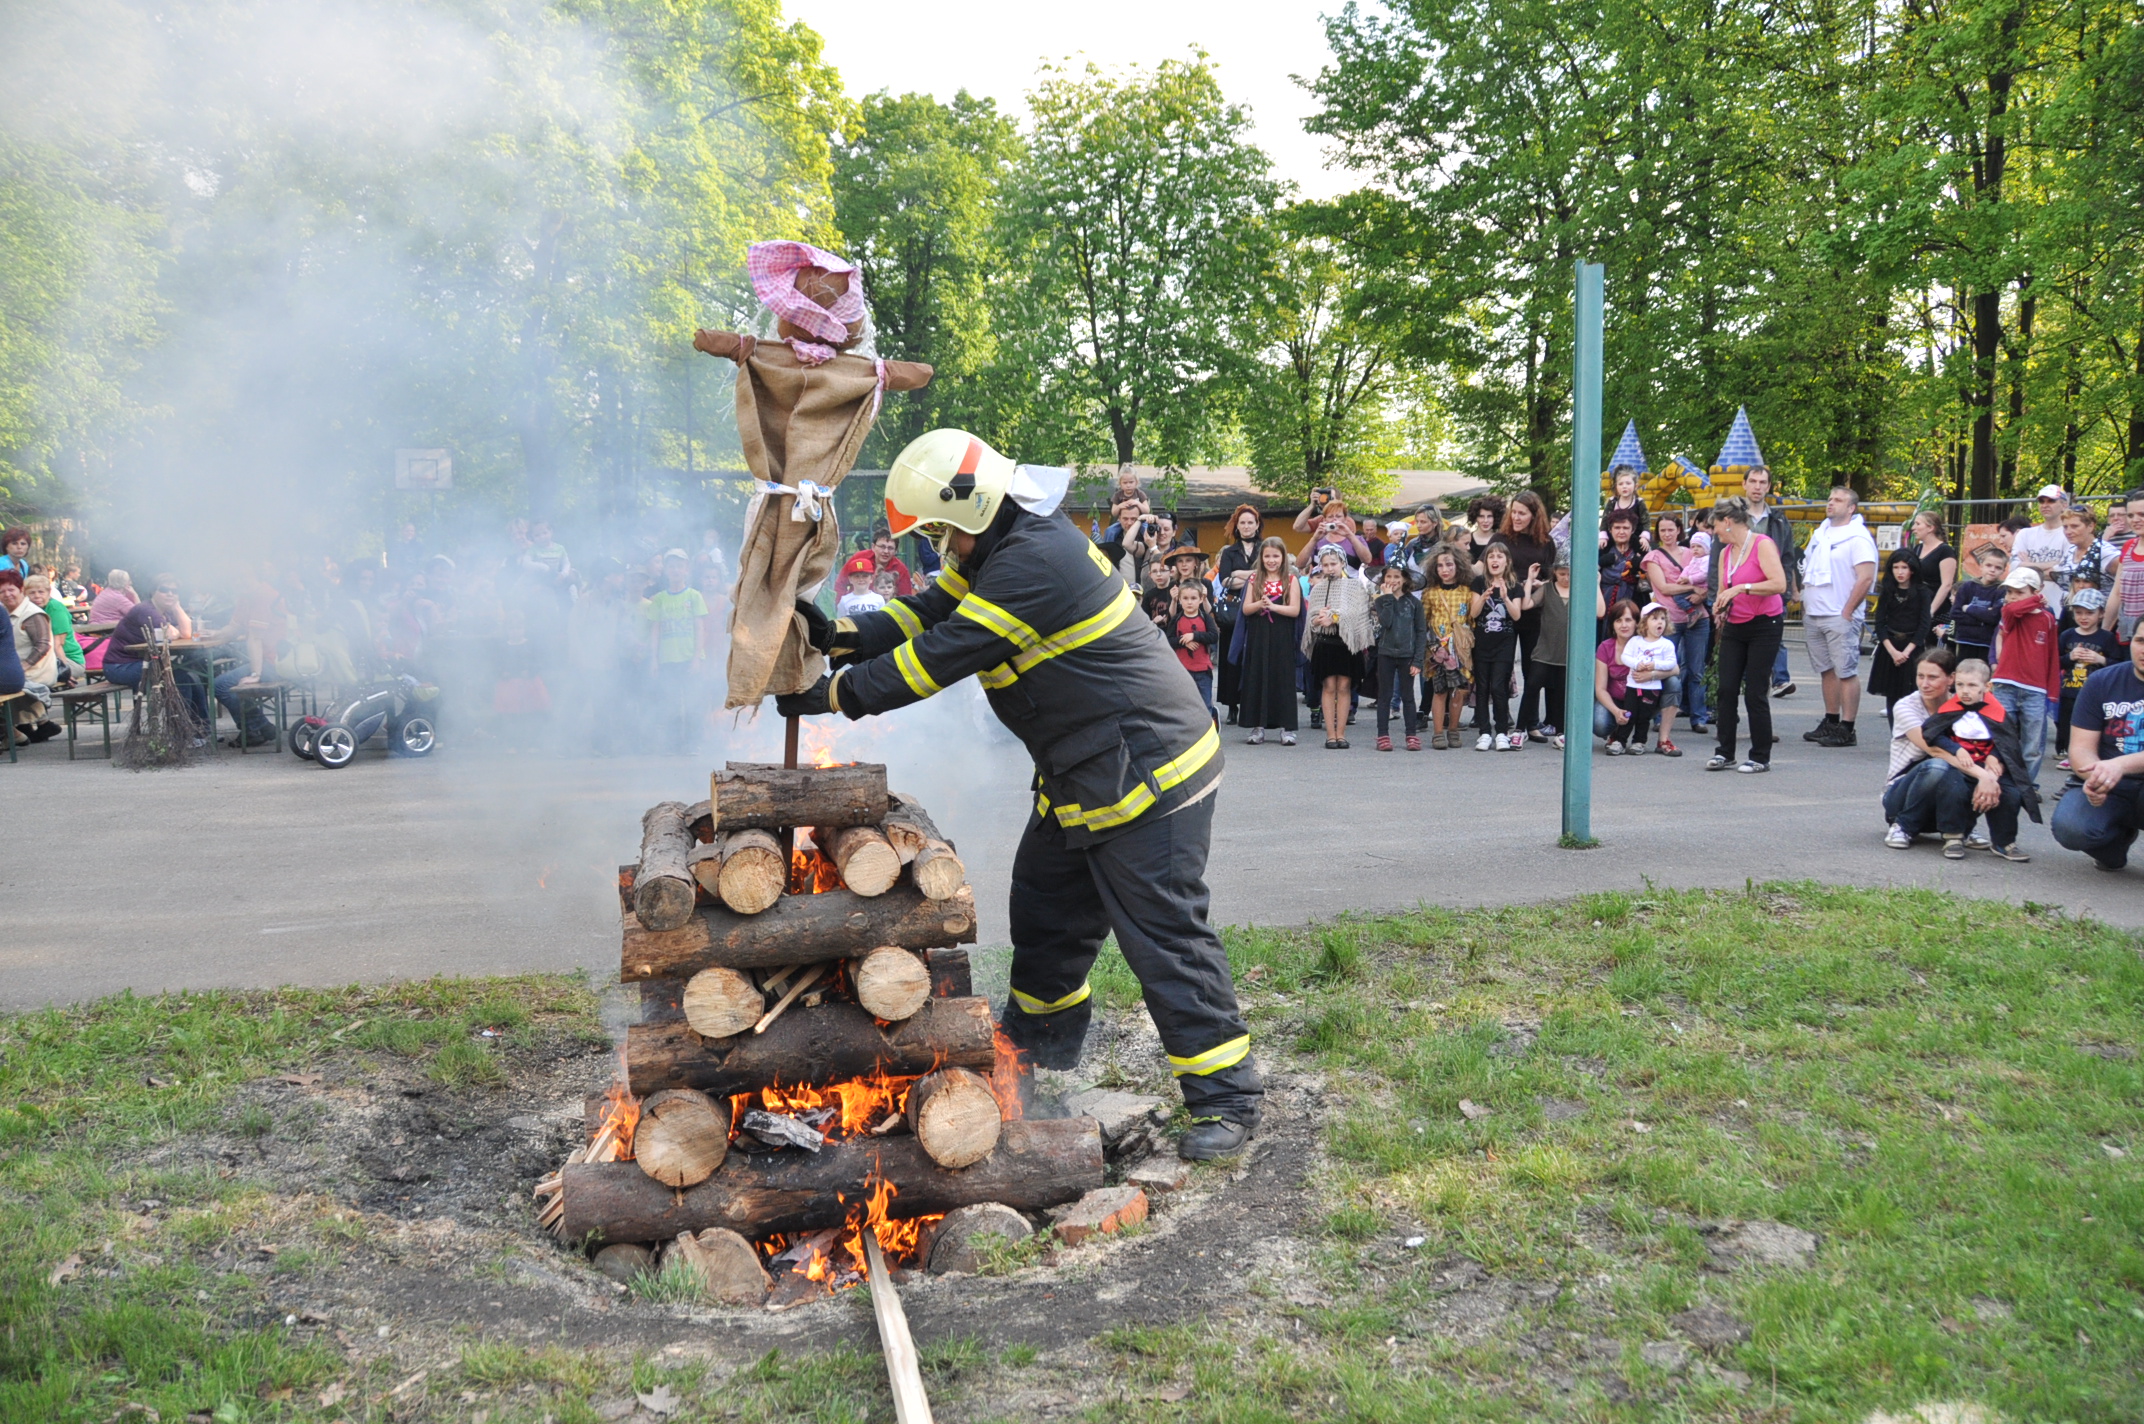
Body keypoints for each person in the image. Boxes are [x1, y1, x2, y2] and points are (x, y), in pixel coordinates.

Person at [779, 428, 1260, 1161]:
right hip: (1087, 772)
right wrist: (842, 635)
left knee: (1162, 932)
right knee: (1045, 914)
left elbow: (944, 654)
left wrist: (835, 694)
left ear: (971, 509)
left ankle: (1228, 1098)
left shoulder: (1033, 560)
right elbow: (927, 615)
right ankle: (1036, 1057)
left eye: (941, 529)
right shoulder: (1004, 547)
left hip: (1147, 770)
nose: (939, 545)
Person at [1920, 658, 2036, 861]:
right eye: (1960, 685)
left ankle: (2003, 842)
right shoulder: (1950, 708)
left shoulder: (1997, 711)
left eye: (1972, 685)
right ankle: (1953, 836)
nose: (1965, 691)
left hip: (1988, 764)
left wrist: (1995, 755)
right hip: (1961, 765)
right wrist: (1956, 749)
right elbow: (1932, 733)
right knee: (1953, 788)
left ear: (1987, 687)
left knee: (2010, 794)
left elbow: (2009, 741)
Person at [2051, 620, 2144, 870]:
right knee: (2071, 827)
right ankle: (2116, 844)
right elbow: (2080, 748)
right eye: (2140, 641)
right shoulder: (2102, 681)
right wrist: (2094, 777)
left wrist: (2118, 765)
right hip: (2110, 786)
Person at [1706, 496, 1788, 773]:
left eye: (1715, 525)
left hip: (1765, 624)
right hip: (1735, 625)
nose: (1714, 531)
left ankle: (1760, 756)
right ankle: (1724, 752)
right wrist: (1719, 607)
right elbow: (1722, 589)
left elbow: (1779, 583)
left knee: (1755, 691)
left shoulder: (1762, 544)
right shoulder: (1725, 553)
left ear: (1727, 522)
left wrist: (1742, 589)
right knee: (1726, 688)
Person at [1708, 466, 1801, 697]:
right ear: (1744, 484)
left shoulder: (1778, 520)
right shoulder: (1732, 520)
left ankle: (1779, 681)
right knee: (1729, 681)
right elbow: (1717, 563)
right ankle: (1727, 723)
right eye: (1753, 481)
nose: (1758, 486)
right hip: (1736, 609)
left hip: (1768, 603)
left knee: (1757, 683)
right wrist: (1717, 599)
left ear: (1768, 487)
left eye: (1763, 482)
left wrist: (1786, 594)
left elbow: (1787, 559)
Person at [1799, 486, 1878, 747]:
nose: (1831, 503)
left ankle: (1848, 727)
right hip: (1815, 612)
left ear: (1851, 507)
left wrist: (1847, 611)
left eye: (1839, 500)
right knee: (1826, 671)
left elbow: (1866, 577)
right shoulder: (1821, 534)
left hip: (1839, 615)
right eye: (1830, 498)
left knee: (1845, 671)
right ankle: (1831, 721)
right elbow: (1807, 567)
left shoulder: (1858, 538)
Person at [100, 575, 210, 732]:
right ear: (153, 592)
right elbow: (172, 634)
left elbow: (186, 632)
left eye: (175, 591)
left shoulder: (166, 611)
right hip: (119, 667)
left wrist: (177, 606)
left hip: (143, 663)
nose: (170, 594)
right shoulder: (146, 610)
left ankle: (202, 730)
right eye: (164, 590)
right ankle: (182, 732)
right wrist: (175, 630)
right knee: (179, 678)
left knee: (193, 677)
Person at [1988, 565, 2059, 787]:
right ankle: (1996, 780)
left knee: (2033, 744)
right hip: (2005, 685)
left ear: (2035, 591)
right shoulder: (2009, 614)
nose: (2012, 597)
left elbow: (2052, 655)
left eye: (2019, 592)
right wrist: (2036, 600)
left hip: (2035, 690)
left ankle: (2026, 786)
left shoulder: (2047, 619)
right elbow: (2012, 610)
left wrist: (2053, 690)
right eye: (2009, 592)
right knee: (2000, 737)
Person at [1883, 648, 1960, 848]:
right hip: (1899, 797)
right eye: (1920, 676)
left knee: (1984, 767)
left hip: (1943, 799)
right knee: (1937, 765)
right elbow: (1933, 749)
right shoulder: (1905, 706)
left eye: (1933, 677)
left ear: (1951, 678)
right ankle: (1902, 826)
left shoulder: (1963, 706)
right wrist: (1980, 773)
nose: (1924, 684)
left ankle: (1961, 827)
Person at [1641, 511, 1709, 734]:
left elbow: (1710, 577)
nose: (1667, 534)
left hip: (1698, 618)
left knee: (1697, 670)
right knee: (1667, 669)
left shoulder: (1694, 552)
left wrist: (1702, 594)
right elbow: (1663, 587)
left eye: (1671, 529)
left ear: (1679, 530)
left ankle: (1698, 717)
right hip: (1668, 619)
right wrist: (1692, 588)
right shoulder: (1654, 557)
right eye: (1663, 530)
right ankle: (1660, 716)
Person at [640, 550, 709, 752]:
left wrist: (697, 657)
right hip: (668, 659)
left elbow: (700, 628)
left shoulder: (694, 596)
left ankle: (692, 744)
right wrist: (653, 659)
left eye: (680, 566)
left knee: (692, 702)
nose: (676, 570)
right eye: (671, 566)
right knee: (670, 702)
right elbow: (655, 630)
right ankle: (673, 745)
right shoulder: (660, 599)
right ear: (666, 571)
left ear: (686, 569)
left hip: (689, 658)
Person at [1302, 547, 1371, 749]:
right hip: (1325, 644)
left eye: (1333, 563)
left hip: (1346, 645)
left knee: (1344, 687)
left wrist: (1334, 616)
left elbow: (1358, 614)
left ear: (1342, 563)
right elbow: (1310, 620)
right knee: (1328, 687)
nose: (1330, 568)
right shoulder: (1318, 588)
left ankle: (1341, 734)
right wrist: (1318, 618)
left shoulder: (1354, 586)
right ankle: (1330, 735)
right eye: (1325, 564)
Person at [1236, 536, 1302, 745]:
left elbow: (1295, 610)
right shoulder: (1254, 580)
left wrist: (1273, 607)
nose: (1271, 560)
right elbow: (1246, 609)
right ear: (1261, 558)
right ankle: (1258, 727)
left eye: (1276, 556)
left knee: (1282, 678)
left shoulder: (1290, 580)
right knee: (1258, 676)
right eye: (1267, 556)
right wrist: (1259, 604)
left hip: (1282, 635)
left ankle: (1287, 728)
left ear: (1283, 557)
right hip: (1258, 636)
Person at [1501, 492, 1556, 735]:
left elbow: (1551, 579)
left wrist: (1539, 585)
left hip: (1533, 613)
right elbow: (1486, 571)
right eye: (1513, 512)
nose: (1516, 517)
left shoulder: (1546, 542)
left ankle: (1531, 722)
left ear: (1535, 516)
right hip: (1503, 612)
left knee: (1532, 670)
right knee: (1501, 669)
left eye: (1522, 513)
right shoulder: (1501, 538)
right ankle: (1502, 721)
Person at [1213, 505, 1264, 724]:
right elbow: (1225, 580)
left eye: (1250, 522)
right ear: (1237, 526)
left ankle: (1252, 703)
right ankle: (1232, 703)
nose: (1246, 526)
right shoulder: (1229, 552)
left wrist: (1240, 574)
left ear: (1257, 524)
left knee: (1254, 656)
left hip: (1260, 607)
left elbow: (1270, 573)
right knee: (1231, 655)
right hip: (1233, 610)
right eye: (1242, 522)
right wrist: (1254, 576)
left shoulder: (1265, 547)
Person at [1868, 551, 1933, 719]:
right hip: (1890, 647)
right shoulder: (1888, 590)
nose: (1900, 572)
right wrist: (1892, 651)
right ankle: (1894, 738)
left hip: (1912, 647)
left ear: (1912, 569)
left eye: (1904, 567)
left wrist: (1907, 652)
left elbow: (1924, 624)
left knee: (1912, 695)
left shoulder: (1922, 591)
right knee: (1891, 697)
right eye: (1896, 567)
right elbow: (1880, 623)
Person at [2058, 589, 2119, 769]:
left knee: (2091, 723)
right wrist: (2070, 657)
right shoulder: (2067, 635)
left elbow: (2117, 664)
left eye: (2089, 613)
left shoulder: (2106, 638)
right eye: (2079, 612)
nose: (2083, 617)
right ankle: (2068, 753)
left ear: (2101, 613)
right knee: (2067, 721)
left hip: (2095, 692)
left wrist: (2100, 659)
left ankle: (2090, 754)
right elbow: (2056, 661)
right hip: (2070, 688)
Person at [1369, 562, 1425, 751]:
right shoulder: (1381, 600)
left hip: (1407, 655)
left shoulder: (1414, 603)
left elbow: (1420, 631)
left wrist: (1418, 659)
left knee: (1408, 696)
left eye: (1396, 577)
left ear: (1404, 580)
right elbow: (1387, 622)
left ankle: (1411, 734)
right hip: (1385, 653)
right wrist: (1387, 599)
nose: (1392, 580)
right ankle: (1382, 734)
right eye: (1389, 577)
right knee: (1384, 695)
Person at [1, 571, 60, 741]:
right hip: (17, 666)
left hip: (37, 668)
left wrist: (24, 666)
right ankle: (29, 726)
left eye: (11, 590)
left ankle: (12, 731)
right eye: (2, 591)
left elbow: (43, 645)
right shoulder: (5, 611)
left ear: (21, 590)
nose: (7, 595)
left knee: (10, 681)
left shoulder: (31, 614)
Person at [1523, 550, 1573, 747]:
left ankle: (1560, 732)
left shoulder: (1579, 590)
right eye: (1562, 573)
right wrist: (1529, 580)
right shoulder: (1547, 589)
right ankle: (1520, 728)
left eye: (1569, 573)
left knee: (1561, 692)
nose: (1566, 577)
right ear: (1555, 573)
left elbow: (1600, 612)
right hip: (1545, 650)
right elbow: (1526, 605)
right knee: (1533, 686)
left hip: (1566, 652)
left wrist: (1594, 582)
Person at [1623, 603, 1681, 754]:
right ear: (1645, 623)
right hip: (1633, 685)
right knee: (1629, 713)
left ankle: (1639, 742)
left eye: (1662, 618)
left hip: (1652, 686)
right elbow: (1625, 657)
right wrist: (1637, 663)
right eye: (1654, 619)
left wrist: (1654, 666)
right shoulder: (1635, 641)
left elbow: (1672, 663)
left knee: (1644, 716)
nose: (1660, 622)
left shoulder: (1666, 644)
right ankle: (1619, 740)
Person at [2010, 484, 2073, 617]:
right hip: (2025, 608)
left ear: (2064, 504)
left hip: (2059, 608)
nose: (2045, 505)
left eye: (2051, 501)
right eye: (2041, 501)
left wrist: (2028, 566)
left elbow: (2065, 573)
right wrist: (2052, 564)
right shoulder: (2025, 534)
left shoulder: (2070, 535)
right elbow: (2014, 569)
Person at [1593, 599, 1643, 753]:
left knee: (1673, 683)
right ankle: (1616, 731)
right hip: (1614, 699)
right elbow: (1600, 689)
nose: (1624, 625)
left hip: (1642, 699)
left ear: (1637, 622)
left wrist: (1653, 674)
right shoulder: (1605, 647)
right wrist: (1615, 711)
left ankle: (1661, 738)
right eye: (1618, 620)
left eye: (1628, 620)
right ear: (1612, 625)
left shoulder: (1646, 644)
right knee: (1599, 724)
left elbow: (1674, 669)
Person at [1951, 544, 2009, 664]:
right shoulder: (1967, 587)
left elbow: (1994, 617)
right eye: (1989, 565)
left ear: (2004, 570)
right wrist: (1983, 620)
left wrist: (1969, 609)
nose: (1992, 570)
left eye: (1998, 568)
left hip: (1986, 642)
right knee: (1963, 673)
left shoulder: (2002, 590)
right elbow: (1955, 613)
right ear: (1981, 565)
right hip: (1965, 640)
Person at [1169, 580, 1218, 719]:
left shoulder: (1205, 618)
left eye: (1193, 598)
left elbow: (1214, 636)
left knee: (1204, 703)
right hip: (1183, 670)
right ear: (1179, 600)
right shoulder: (1176, 619)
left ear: (1201, 599)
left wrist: (1194, 636)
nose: (1189, 602)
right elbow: (1169, 640)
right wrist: (1184, 642)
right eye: (1185, 598)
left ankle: (1207, 731)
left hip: (1203, 670)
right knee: (1183, 704)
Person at [1904, 510, 1959, 631]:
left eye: (1918, 524)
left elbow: (1946, 584)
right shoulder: (1917, 549)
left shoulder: (1945, 551)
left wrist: (1930, 611)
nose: (1913, 528)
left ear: (1930, 528)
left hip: (1936, 608)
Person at [1598, 510, 1644, 617]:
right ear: (1610, 529)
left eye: (1626, 528)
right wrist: (1599, 563)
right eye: (1617, 528)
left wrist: (1642, 566)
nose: (1621, 532)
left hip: (1634, 606)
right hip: (1603, 605)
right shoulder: (1600, 550)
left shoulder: (1641, 551)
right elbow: (1587, 577)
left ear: (1632, 530)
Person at [2114, 488, 2144, 641]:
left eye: (2142, 514)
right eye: (2131, 515)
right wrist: (2105, 630)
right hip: (2129, 630)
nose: (2135, 520)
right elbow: (2117, 592)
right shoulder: (2128, 546)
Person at [1600, 467, 1647, 544]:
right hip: (1614, 536)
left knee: (1643, 549)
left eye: (1628, 483)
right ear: (1616, 487)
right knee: (1602, 549)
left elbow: (1646, 521)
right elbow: (1605, 520)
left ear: (1635, 486)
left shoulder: (1639, 502)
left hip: (1635, 537)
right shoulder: (1612, 502)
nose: (1624, 486)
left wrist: (1644, 536)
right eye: (1621, 484)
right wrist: (1603, 536)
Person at [1462, 495, 1506, 571]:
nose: (1485, 520)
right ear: (1475, 518)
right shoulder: (1467, 540)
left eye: (1489, 516)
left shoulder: (1501, 540)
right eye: (1481, 516)